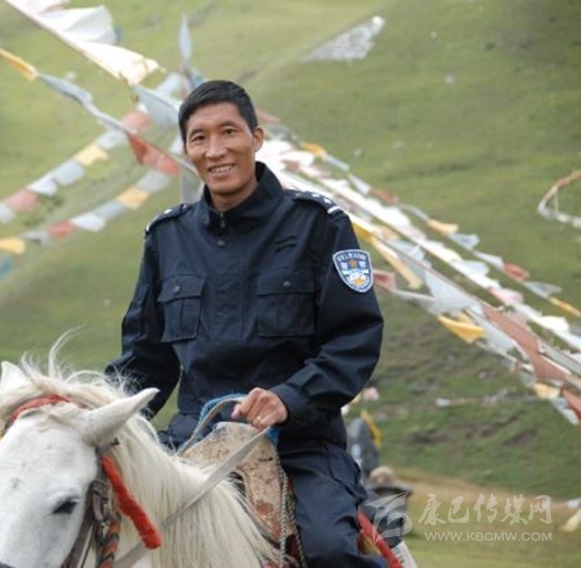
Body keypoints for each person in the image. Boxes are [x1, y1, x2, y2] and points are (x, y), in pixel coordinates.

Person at [106, 79, 385, 567]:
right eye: (199, 138)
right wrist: (92, 420)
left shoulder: (319, 225)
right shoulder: (167, 238)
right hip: (190, 438)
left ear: (256, 138)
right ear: (187, 149)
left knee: (329, 551)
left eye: (229, 132)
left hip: (301, 445)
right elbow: (145, 361)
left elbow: (354, 339)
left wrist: (289, 398)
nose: (215, 150)